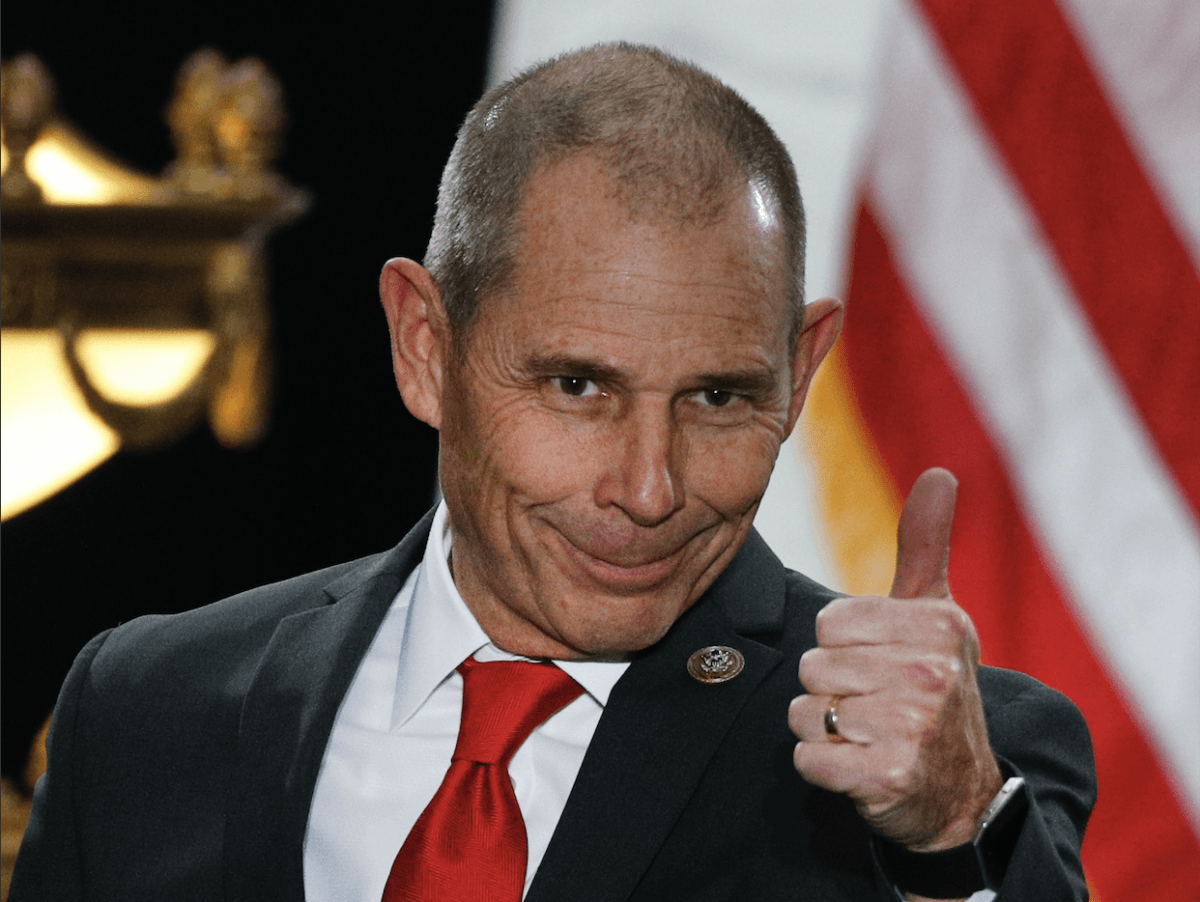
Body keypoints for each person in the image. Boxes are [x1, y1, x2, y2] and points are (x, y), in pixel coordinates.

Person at [11, 43, 1094, 901]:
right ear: (425, 345)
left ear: (800, 370)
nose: (650, 485)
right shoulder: (147, 709)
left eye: (718, 396)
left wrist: (954, 840)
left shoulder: (949, 773)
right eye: (579, 386)